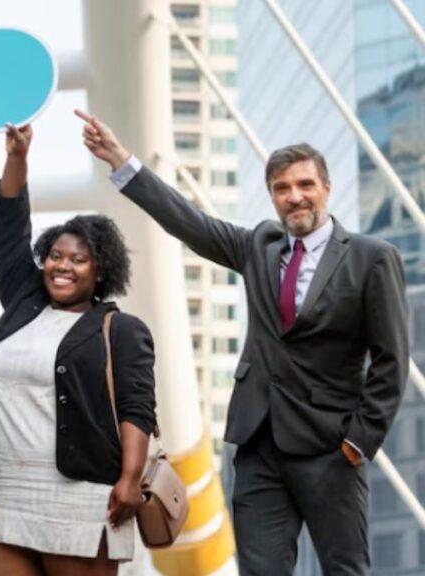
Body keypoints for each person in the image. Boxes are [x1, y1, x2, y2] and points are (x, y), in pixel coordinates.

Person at [77, 109, 408, 574]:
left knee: (344, 569)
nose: (294, 196)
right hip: (258, 447)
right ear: (272, 197)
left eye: (305, 185)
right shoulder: (260, 247)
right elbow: (188, 222)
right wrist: (121, 160)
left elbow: (392, 361)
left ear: (327, 189)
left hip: (331, 448)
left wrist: (358, 441)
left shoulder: (371, 259)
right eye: (282, 188)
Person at [0, 123, 156, 576]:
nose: (62, 266)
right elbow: (7, 230)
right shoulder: (23, 303)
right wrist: (17, 158)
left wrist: (130, 478)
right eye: (56, 256)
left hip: (83, 497)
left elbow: (137, 408)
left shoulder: (120, 329)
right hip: (14, 492)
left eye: (78, 260)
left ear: (100, 272)